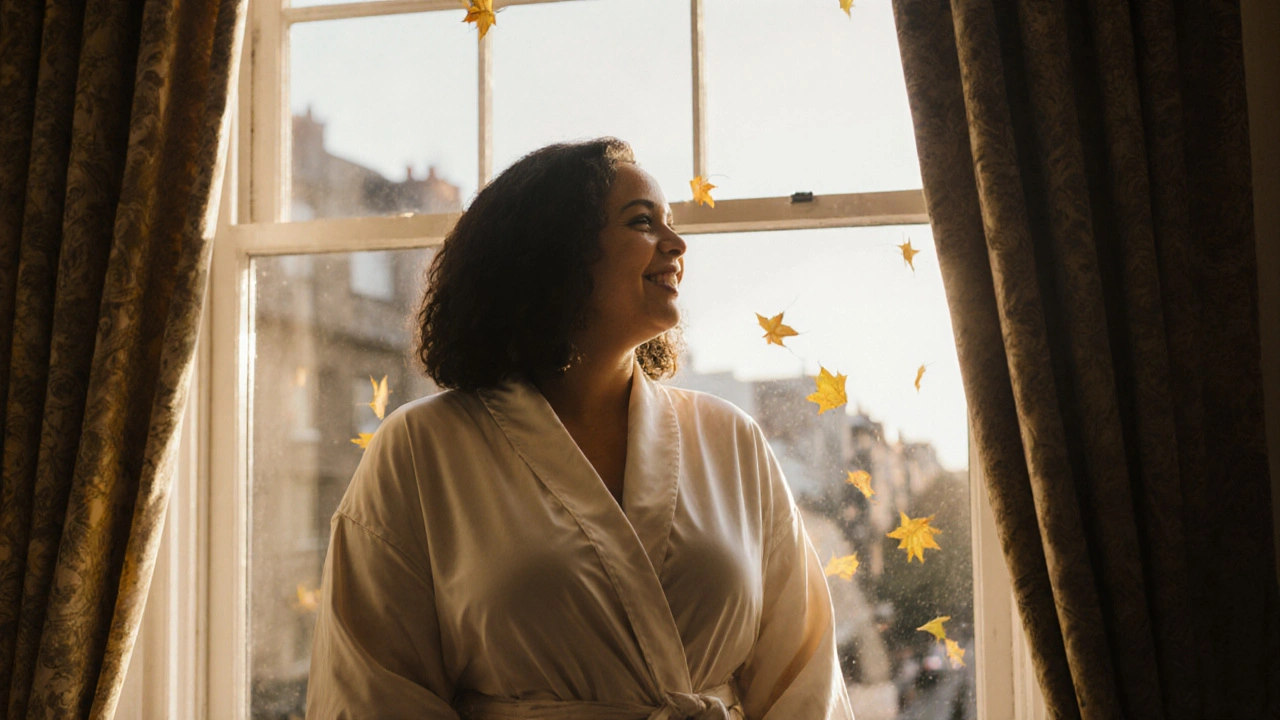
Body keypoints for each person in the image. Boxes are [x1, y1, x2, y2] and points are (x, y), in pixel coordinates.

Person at [305, 138, 855, 720]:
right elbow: (372, 692)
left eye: (669, 223)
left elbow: (804, 676)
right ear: (555, 252)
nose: (677, 245)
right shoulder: (421, 449)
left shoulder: (731, 441)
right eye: (643, 222)